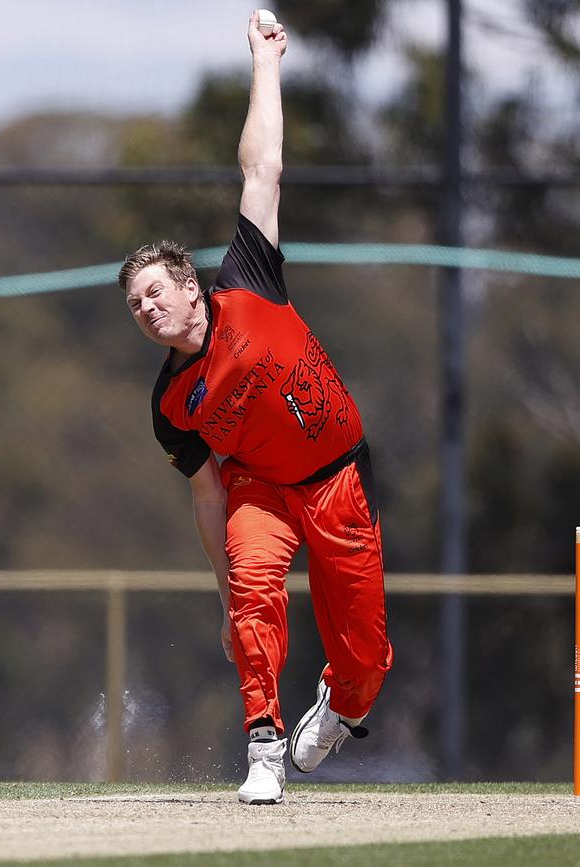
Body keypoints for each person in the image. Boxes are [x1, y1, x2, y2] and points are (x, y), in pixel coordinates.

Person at [118, 11, 393, 805]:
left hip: (339, 476)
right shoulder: (172, 405)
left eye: (153, 292)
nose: (144, 309)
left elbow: (262, 167)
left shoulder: (248, 278)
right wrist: (226, 593)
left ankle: (338, 708)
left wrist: (264, 63)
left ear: (189, 285)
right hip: (260, 491)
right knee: (255, 589)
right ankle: (263, 742)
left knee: (367, 653)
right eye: (134, 304)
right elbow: (207, 495)